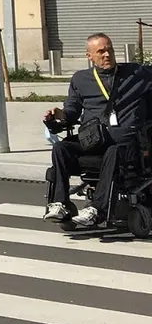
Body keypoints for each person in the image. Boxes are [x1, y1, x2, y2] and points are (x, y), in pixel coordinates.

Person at [44, 33, 152, 227]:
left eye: (109, 49)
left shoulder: (137, 74)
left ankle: (97, 209)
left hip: (125, 144)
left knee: (113, 150)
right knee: (61, 148)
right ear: (89, 56)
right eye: (100, 51)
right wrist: (57, 116)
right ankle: (60, 203)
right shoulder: (81, 79)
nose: (107, 54)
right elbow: (71, 111)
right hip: (94, 140)